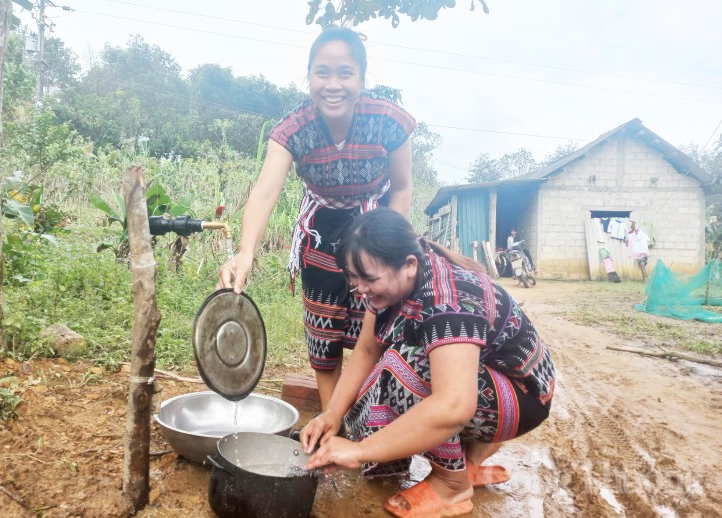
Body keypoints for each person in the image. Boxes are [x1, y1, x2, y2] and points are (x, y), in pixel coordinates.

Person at [301, 208, 555, 518]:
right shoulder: (400, 275)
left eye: (368, 279)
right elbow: (367, 350)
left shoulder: (449, 298)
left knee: (403, 366)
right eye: (354, 280)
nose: (361, 290)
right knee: (379, 381)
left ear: (408, 265)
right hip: (492, 380)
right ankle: (469, 462)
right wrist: (332, 414)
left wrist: (359, 451)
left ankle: (452, 485)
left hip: (524, 395)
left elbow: (453, 405)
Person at [217, 27, 417, 410]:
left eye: (345, 73)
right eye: (322, 72)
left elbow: (402, 187)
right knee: (323, 335)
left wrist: (388, 247)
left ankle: (364, 416)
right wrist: (245, 253)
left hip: (374, 224)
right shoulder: (294, 128)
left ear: (361, 78)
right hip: (320, 231)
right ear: (309, 76)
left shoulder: (390, 121)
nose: (333, 84)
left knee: (370, 329)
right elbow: (265, 191)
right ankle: (332, 418)